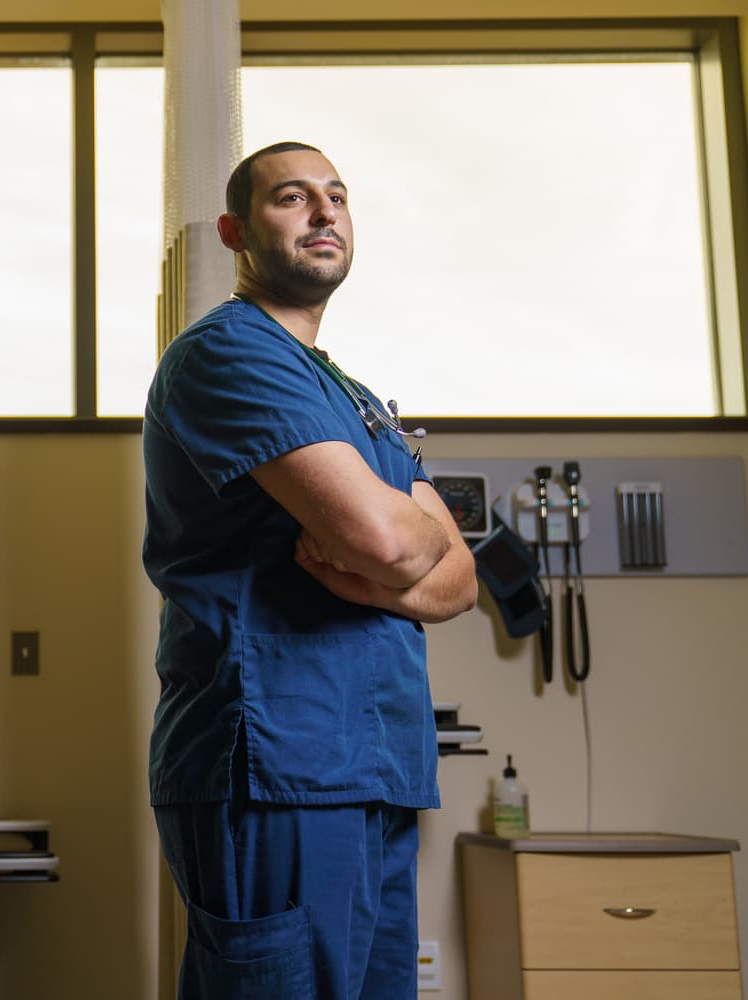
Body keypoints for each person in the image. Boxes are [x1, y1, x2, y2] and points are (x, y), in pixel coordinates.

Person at [142, 141, 479, 999]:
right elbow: (400, 546)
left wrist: (388, 553)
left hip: (373, 766)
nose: (325, 213)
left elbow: (457, 581)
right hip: (274, 765)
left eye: (337, 196)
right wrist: (395, 542)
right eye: (293, 198)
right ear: (235, 231)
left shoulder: (352, 394)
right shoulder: (229, 354)